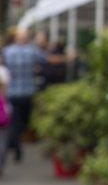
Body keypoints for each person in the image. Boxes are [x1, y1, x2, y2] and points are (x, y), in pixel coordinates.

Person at [3, 29, 71, 161]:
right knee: (24, 121)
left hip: (12, 92)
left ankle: (15, 143)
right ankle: (16, 141)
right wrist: (66, 58)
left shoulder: (8, 51)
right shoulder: (31, 51)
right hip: (28, 92)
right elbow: (48, 59)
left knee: (15, 120)